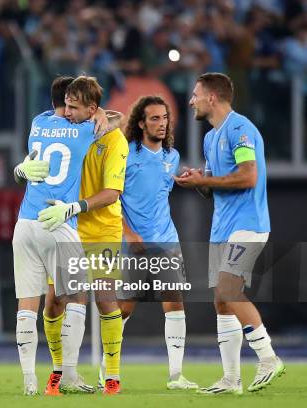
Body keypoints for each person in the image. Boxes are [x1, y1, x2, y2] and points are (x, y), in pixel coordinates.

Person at [176, 72, 285, 394]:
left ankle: (268, 358)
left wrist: (205, 181)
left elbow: (248, 177)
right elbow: (212, 187)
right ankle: (231, 379)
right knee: (221, 302)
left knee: (229, 290)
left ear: (212, 97)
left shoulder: (241, 129)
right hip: (221, 227)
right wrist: (199, 180)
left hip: (247, 224)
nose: (191, 100)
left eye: (195, 94)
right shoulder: (210, 138)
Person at [38, 76, 128, 395]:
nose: (66, 112)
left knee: (105, 298)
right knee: (55, 301)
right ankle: (62, 370)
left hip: (102, 228)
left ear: (91, 109)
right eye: (65, 106)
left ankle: (112, 376)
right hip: (69, 227)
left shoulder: (114, 140)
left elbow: (112, 192)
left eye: (73, 107)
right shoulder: (67, 128)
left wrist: (75, 206)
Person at [12, 76, 101, 396]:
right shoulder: (84, 129)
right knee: (77, 297)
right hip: (60, 222)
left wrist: (20, 170)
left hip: (25, 223)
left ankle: (28, 381)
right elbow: (116, 120)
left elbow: (29, 163)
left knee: (27, 303)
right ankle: (70, 374)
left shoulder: (38, 123)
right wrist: (99, 114)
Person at [114, 95, 198, 390]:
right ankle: (107, 372)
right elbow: (112, 199)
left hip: (167, 240)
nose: (161, 124)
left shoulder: (171, 157)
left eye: (164, 118)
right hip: (134, 243)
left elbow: (160, 192)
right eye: (154, 118)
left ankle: (176, 376)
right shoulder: (125, 155)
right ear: (140, 123)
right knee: (124, 308)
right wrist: (128, 233)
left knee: (175, 304)